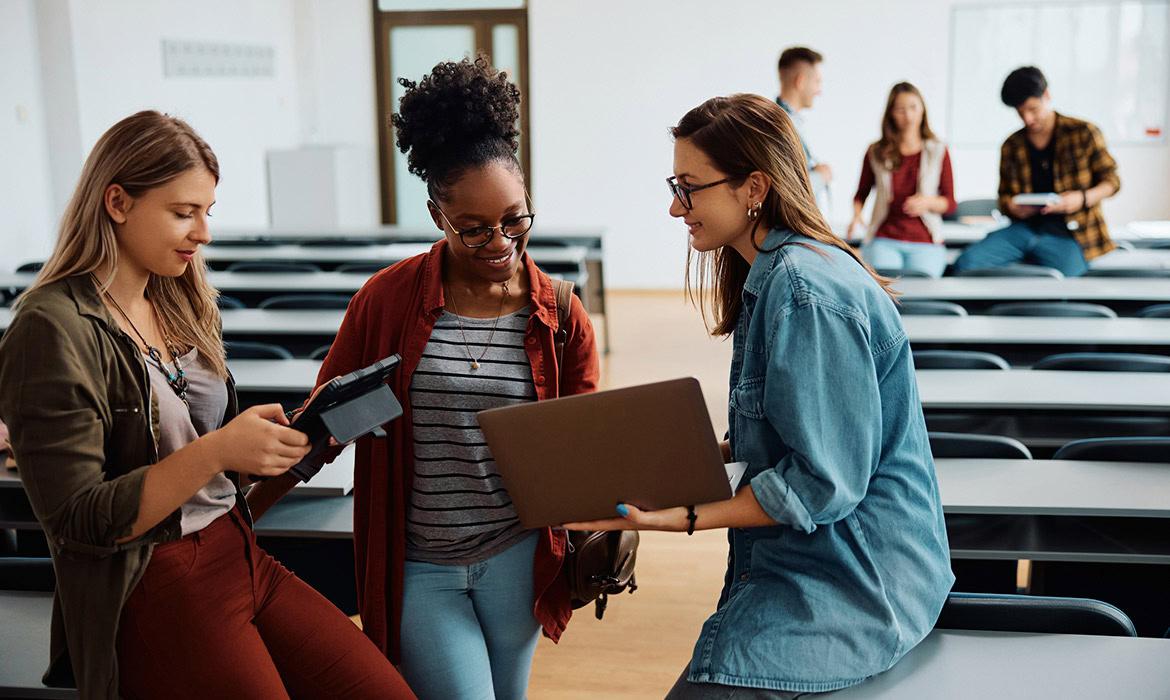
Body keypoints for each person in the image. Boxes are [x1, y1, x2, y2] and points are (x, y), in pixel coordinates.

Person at [0, 111, 414, 700]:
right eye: (183, 212)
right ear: (117, 202)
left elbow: (201, 454)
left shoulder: (177, 299)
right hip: (155, 579)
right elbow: (79, 521)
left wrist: (271, 446)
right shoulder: (50, 327)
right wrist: (219, 448)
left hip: (238, 550)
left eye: (207, 212)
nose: (204, 233)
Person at [567, 93, 953, 698]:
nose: (675, 207)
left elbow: (822, 482)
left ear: (753, 189)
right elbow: (788, 435)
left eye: (689, 188)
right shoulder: (775, 273)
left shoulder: (803, 291)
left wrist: (683, 517)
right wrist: (663, 459)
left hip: (857, 581)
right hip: (826, 564)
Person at [246, 56, 600, 700]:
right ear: (438, 215)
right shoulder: (386, 301)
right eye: (475, 229)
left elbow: (581, 447)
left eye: (515, 219)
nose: (501, 242)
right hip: (419, 566)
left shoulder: (561, 315)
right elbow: (323, 427)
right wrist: (237, 515)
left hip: (518, 559)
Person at [952, 66, 1120, 276]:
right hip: (1023, 230)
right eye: (1020, 112)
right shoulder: (1012, 145)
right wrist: (1013, 207)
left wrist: (1082, 198)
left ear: (1046, 95)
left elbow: (1112, 181)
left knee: (1068, 280)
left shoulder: (1083, 133)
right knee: (965, 265)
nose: (1028, 119)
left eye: (1032, 109)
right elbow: (1004, 198)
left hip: (1071, 233)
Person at [851, 82, 956, 278]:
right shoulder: (876, 151)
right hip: (884, 238)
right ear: (890, 113)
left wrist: (928, 202)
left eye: (913, 108)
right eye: (900, 110)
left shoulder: (938, 150)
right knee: (885, 288)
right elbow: (861, 193)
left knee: (924, 286)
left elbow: (950, 203)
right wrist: (856, 216)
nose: (908, 116)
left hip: (925, 240)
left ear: (922, 109)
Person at [776, 46, 831, 215]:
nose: (819, 90)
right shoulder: (780, 125)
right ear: (800, 81)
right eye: (817, 82)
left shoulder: (790, 122)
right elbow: (785, 189)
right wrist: (821, 176)